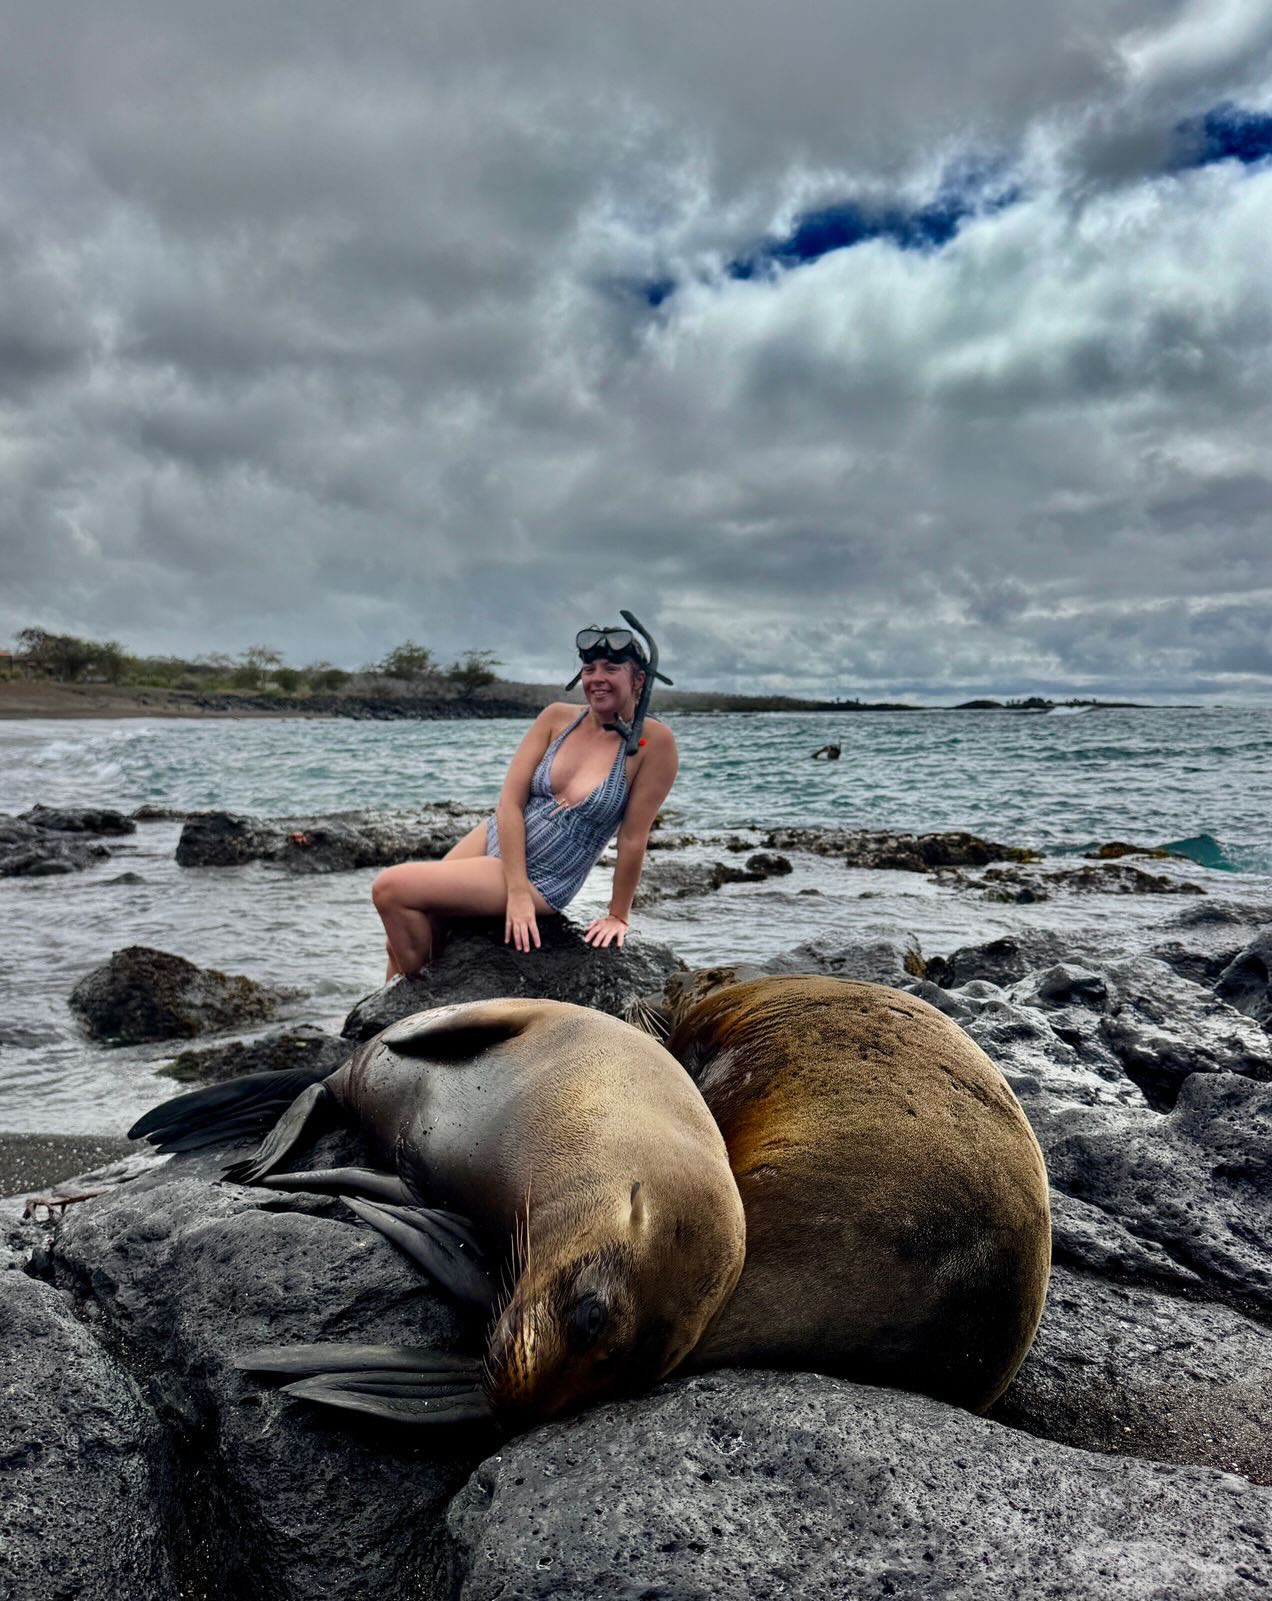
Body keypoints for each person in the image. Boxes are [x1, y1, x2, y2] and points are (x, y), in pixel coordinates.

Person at [371, 624, 679, 977]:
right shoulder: (556, 718)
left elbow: (633, 837)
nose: (597, 678)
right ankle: (387, 1015)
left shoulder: (654, 744)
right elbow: (510, 802)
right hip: (495, 839)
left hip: (543, 878)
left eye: (611, 669)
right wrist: (513, 892)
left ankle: (418, 987)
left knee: (390, 889)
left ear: (638, 679)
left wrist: (618, 914)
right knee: (412, 922)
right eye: (589, 669)